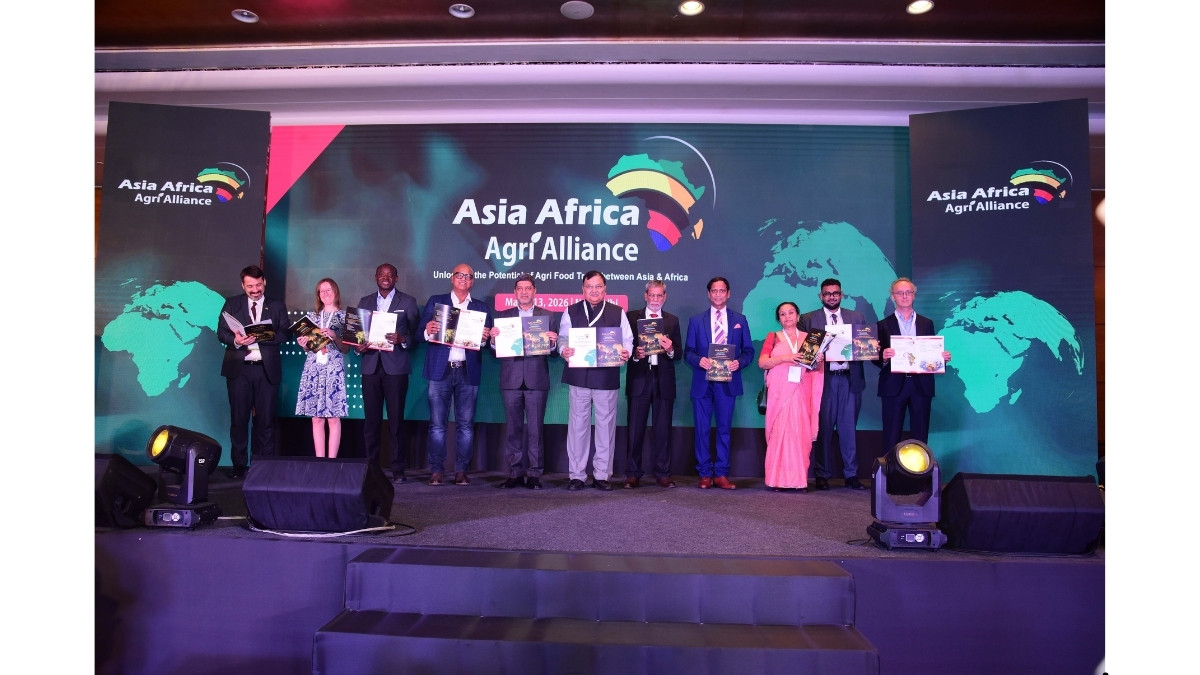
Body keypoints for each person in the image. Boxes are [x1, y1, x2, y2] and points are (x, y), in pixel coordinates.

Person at [558, 270, 633, 491]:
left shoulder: (617, 312)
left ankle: (602, 475)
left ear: (605, 289)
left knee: (605, 427)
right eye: (589, 286)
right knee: (577, 427)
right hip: (578, 376)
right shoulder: (571, 311)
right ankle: (577, 475)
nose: (594, 290)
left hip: (606, 377)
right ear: (583, 289)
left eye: (598, 286)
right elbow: (562, 338)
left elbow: (628, 340)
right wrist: (564, 350)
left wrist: (626, 352)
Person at [420, 263, 492, 486]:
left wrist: (485, 337)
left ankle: (462, 470)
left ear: (473, 281)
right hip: (439, 370)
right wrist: (427, 330)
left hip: (467, 371)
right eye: (459, 275)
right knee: (437, 425)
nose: (463, 279)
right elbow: (419, 333)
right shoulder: (436, 302)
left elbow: (486, 343)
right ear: (452, 278)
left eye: (468, 276)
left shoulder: (481, 307)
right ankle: (436, 470)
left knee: (466, 425)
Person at [486, 273, 559, 490]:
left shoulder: (547, 316)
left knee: (536, 430)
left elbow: (554, 353)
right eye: (520, 288)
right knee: (513, 429)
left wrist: (552, 343)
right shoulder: (503, 317)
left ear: (534, 291)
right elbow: (494, 352)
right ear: (515, 292)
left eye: (528, 288)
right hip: (511, 379)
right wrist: (493, 340)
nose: (524, 292)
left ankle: (534, 474)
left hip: (537, 379)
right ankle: (515, 473)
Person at [216, 265, 290, 478]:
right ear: (243, 285)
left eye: (258, 285)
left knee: (265, 422)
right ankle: (239, 466)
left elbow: (286, 333)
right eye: (250, 286)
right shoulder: (231, 303)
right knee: (239, 421)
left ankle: (263, 466)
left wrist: (263, 336)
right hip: (239, 371)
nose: (255, 290)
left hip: (266, 371)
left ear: (264, 282)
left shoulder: (276, 306)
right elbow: (221, 332)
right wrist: (236, 341)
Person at [684, 276, 755, 489]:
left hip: (727, 382)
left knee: (724, 429)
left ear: (728, 293)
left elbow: (749, 351)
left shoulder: (740, 320)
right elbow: (688, 352)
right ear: (708, 294)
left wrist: (738, 363)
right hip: (702, 382)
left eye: (722, 290)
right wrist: (699, 360)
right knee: (702, 429)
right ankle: (705, 473)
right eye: (714, 291)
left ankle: (722, 473)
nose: (718, 294)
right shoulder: (696, 320)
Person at [799, 278, 868, 490]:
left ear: (841, 294)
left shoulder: (856, 317)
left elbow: (865, 348)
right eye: (827, 293)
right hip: (823, 380)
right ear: (820, 296)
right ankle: (822, 474)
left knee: (849, 430)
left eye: (835, 293)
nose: (831, 296)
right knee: (823, 429)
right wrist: (816, 355)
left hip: (849, 379)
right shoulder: (808, 319)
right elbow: (803, 354)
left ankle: (851, 475)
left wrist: (869, 347)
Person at [356, 263, 420, 483]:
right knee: (371, 421)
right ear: (376, 277)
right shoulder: (364, 302)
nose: (386, 277)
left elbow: (416, 336)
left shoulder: (408, 302)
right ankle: (371, 467)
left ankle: (398, 469)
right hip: (370, 366)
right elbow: (358, 335)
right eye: (382, 274)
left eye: (390, 274)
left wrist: (403, 339)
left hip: (396, 368)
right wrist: (358, 347)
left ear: (396, 278)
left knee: (396, 421)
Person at [875, 277, 952, 455]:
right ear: (893, 296)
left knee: (921, 434)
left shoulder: (927, 323)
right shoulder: (882, 324)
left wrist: (941, 359)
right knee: (891, 435)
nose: (904, 296)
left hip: (921, 385)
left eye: (908, 292)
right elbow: (875, 356)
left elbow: (930, 353)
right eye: (900, 293)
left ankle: (920, 471)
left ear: (914, 295)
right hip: (893, 385)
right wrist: (883, 357)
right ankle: (890, 472)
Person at [759, 301, 825, 492]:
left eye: (790, 312)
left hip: (801, 393)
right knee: (779, 435)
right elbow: (762, 363)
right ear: (778, 318)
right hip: (779, 395)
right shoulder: (773, 337)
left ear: (797, 316)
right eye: (783, 314)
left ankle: (799, 481)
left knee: (799, 435)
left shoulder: (809, 339)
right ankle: (776, 480)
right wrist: (786, 358)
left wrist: (818, 361)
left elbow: (814, 369)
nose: (787, 316)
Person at [624, 279, 683, 489]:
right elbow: (624, 347)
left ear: (664, 297)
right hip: (639, 379)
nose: (655, 299)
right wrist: (635, 354)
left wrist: (670, 349)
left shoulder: (672, 320)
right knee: (634, 429)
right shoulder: (631, 317)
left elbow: (679, 353)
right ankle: (633, 473)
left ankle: (663, 473)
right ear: (645, 296)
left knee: (663, 430)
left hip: (663, 380)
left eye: (659, 295)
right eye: (652, 295)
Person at [295, 278, 350, 458]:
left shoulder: (344, 317)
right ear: (318, 295)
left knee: (333, 417)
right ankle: (320, 461)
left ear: (336, 292)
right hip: (313, 369)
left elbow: (346, 349)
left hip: (333, 369)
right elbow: (309, 347)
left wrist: (335, 336)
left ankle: (331, 462)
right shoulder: (311, 318)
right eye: (321, 291)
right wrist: (304, 344)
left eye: (329, 290)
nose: (325, 294)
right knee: (316, 417)